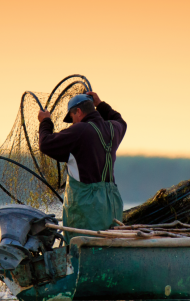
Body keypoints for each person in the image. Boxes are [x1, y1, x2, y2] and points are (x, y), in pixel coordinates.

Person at [38, 92, 126, 241]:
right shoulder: (113, 129)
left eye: (72, 118)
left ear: (78, 111)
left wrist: (45, 121)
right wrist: (101, 104)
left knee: (80, 249)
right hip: (112, 204)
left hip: (87, 207)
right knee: (109, 246)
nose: (73, 123)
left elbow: (45, 143)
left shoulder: (79, 131)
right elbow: (120, 121)